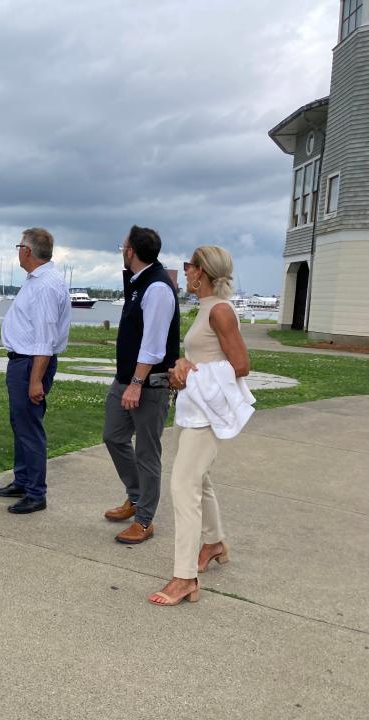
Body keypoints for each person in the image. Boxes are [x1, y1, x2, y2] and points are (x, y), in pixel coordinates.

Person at [149, 245, 253, 606]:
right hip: (192, 409)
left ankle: (184, 578)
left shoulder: (221, 311)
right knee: (200, 480)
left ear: (203, 272)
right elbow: (206, 358)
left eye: (190, 265)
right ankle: (214, 542)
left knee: (183, 486)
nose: (186, 270)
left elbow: (241, 365)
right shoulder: (206, 307)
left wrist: (191, 371)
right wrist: (184, 366)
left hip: (205, 415)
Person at [102, 225, 180, 543]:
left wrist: (136, 383)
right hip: (127, 379)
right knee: (114, 436)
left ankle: (145, 520)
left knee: (148, 452)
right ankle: (136, 497)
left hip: (148, 385)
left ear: (131, 251)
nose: (122, 250)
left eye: (123, 246)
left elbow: (154, 345)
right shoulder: (138, 282)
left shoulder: (158, 287)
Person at [0, 228, 71, 514]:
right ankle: (23, 480)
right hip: (24, 362)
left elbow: (45, 338)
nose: (17, 252)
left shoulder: (45, 285)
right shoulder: (37, 280)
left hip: (30, 364)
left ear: (27, 251)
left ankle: (36, 493)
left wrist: (35, 380)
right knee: (20, 423)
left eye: (18, 246)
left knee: (29, 427)